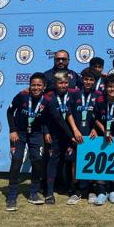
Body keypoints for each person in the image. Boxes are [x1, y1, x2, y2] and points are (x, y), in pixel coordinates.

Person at [5, 72, 76, 212]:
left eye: (39, 85)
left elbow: (58, 119)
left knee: (37, 161)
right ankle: (11, 196)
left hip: (36, 134)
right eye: (33, 85)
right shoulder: (22, 96)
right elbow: (9, 112)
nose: (36, 88)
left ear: (44, 87)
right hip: (19, 133)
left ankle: (33, 193)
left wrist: (71, 135)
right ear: (29, 85)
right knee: (17, 161)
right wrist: (12, 130)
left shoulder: (48, 100)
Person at [44, 71, 84, 204]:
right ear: (55, 83)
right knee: (53, 161)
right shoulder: (49, 96)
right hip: (55, 134)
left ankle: (72, 188)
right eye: (60, 83)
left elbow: (73, 114)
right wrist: (46, 132)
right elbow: (48, 117)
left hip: (70, 134)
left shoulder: (74, 93)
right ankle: (49, 192)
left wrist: (76, 132)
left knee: (71, 161)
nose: (63, 85)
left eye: (66, 82)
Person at [66, 67, 102, 205]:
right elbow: (68, 113)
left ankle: (91, 190)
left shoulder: (99, 95)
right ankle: (77, 191)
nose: (88, 82)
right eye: (86, 79)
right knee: (75, 162)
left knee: (92, 161)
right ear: (82, 80)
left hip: (92, 135)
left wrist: (95, 129)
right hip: (77, 134)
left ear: (95, 81)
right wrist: (75, 130)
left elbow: (101, 116)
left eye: (91, 80)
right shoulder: (74, 94)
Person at [91, 74, 114, 205]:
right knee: (101, 163)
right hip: (102, 136)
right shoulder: (99, 100)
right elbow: (95, 118)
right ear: (105, 87)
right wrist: (104, 132)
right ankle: (102, 191)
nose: (112, 89)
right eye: (109, 87)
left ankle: (113, 190)